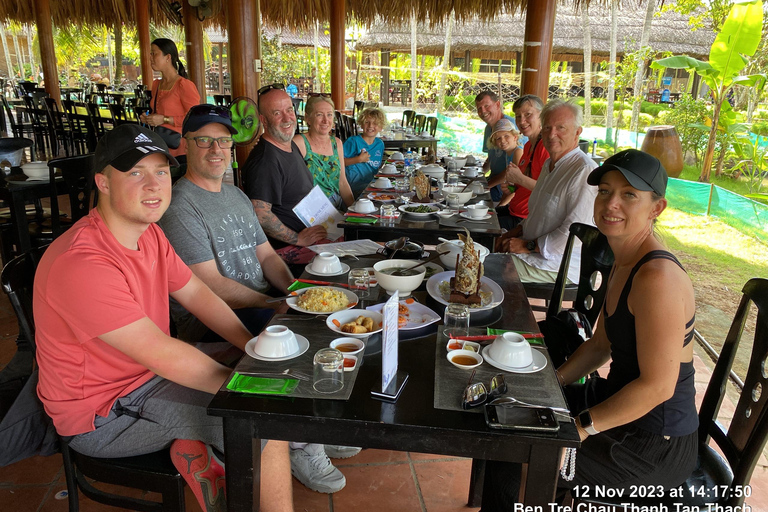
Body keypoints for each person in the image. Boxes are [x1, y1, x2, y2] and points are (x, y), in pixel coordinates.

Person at [33, 124, 293, 512]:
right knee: (265, 421)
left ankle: (201, 454)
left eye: (160, 171)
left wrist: (251, 346)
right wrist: (248, 389)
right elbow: (161, 354)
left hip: (149, 377)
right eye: (135, 172)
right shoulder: (83, 263)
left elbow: (197, 294)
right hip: (106, 413)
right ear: (103, 182)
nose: (153, 185)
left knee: (278, 366)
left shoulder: (148, 233)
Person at [481, 149, 698, 510]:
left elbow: (658, 387)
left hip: (652, 442)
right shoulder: (624, 256)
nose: (611, 203)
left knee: (525, 452)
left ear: (656, 208)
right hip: (616, 403)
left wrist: (581, 427)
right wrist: (551, 383)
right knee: (505, 416)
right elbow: (600, 346)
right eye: (605, 191)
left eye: (629, 194)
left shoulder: (658, 278)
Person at [159, 104, 357, 494]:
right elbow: (209, 285)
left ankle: (311, 425)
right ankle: (299, 443)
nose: (216, 149)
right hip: (214, 316)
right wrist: (273, 306)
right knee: (290, 339)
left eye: (223, 140)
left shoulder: (234, 195)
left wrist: (299, 294)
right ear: (186, 144)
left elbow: (267, 256)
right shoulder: (181, 206)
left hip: (258, 302)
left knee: (321, 318)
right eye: (204, 141)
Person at [495, 99, 597, 284]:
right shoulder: (550, 164)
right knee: (485, 250)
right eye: (548, 128)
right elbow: (538, 215)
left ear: (577, 132)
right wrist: (514, 233)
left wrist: (527, 245)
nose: (552, 134)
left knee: (489, 268)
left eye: (561, 128)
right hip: (536, 253)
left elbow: (574, 233)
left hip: (559, 266)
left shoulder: (584, 170)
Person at [243, 86, 330, 267]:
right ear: (263, 120)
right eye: (277, 113)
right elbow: (259, 213)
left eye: (289, 110)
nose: (287, 118)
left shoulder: (289, 146)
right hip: (284, 251)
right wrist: (297, 239)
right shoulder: (265, 160)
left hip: (312, 233)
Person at [139, 38, 200, 162]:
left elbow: (195, 118)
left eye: (154, 53)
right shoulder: (156, 84)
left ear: (168, 57)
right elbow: (159, 112)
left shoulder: (184, 85)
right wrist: (150, 118)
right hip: (161, 146)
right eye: (150, 53)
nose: (150, 57)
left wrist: (165, 119)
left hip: (181, 149)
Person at [497, 94, 548, 230]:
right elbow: (524, 182)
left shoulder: (545, 147)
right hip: (513, 209)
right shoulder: (527, 146)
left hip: (525, 219)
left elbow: (548, 190)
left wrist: (519, 178)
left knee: (479, 231)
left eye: (528, 114)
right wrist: (512, 187)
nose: (522, 121)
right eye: (518, 116)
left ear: (541, 115)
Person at [292, 95, 354, 209]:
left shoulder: (337, 143)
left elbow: (342, 183)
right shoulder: (299, 143)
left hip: (336, 207)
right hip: (311, 210)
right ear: (308, 118)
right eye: (319, 114)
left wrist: (355, 210)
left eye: (329, 115)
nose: (326, 120)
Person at [475, 90, 526, 203]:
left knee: (475, 199)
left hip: (504, 186)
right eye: (479, 108)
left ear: (497, 105)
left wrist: (488, 185)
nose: (483, 111)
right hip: (496, 181)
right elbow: (491, 158)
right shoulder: (488, 128)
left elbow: (515, 172)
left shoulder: (512, 127)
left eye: (487, 106)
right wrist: (479, 173)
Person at [343, 107, 386, 197]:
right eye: (367, 122)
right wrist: (358, 159)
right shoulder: (353, 141)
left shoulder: (380, 144)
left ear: (381, 127)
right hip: (354, 187)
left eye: (375, 123)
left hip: (372, 185)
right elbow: (339, 163)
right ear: (361, 125)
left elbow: (376, 166)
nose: (370, 126)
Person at [488, 118, 523, 211]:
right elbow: (509, 186)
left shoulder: (517, 152)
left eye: (506, 136)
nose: (502, 141)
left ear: (515, 137)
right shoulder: (508, 154)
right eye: (498, 138)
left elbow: (516, 187)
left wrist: (501, 206)